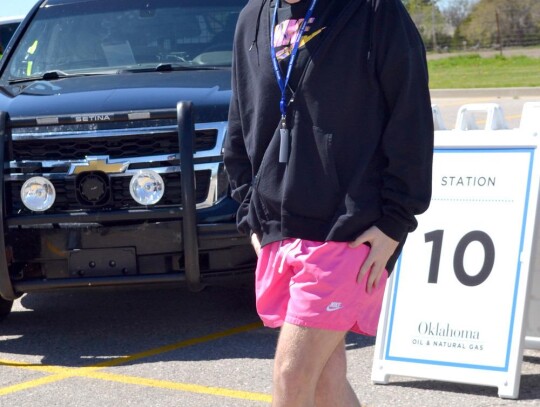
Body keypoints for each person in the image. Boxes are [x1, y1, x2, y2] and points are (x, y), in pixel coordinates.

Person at [224, 0, 433, 405]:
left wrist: (396, 220)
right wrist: (250, 211)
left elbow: (411, 117)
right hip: (280, 228)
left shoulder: (374, 11)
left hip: (349, 230)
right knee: (325, 384)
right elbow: (242, 117)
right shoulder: (254, 17)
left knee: (293, 376)